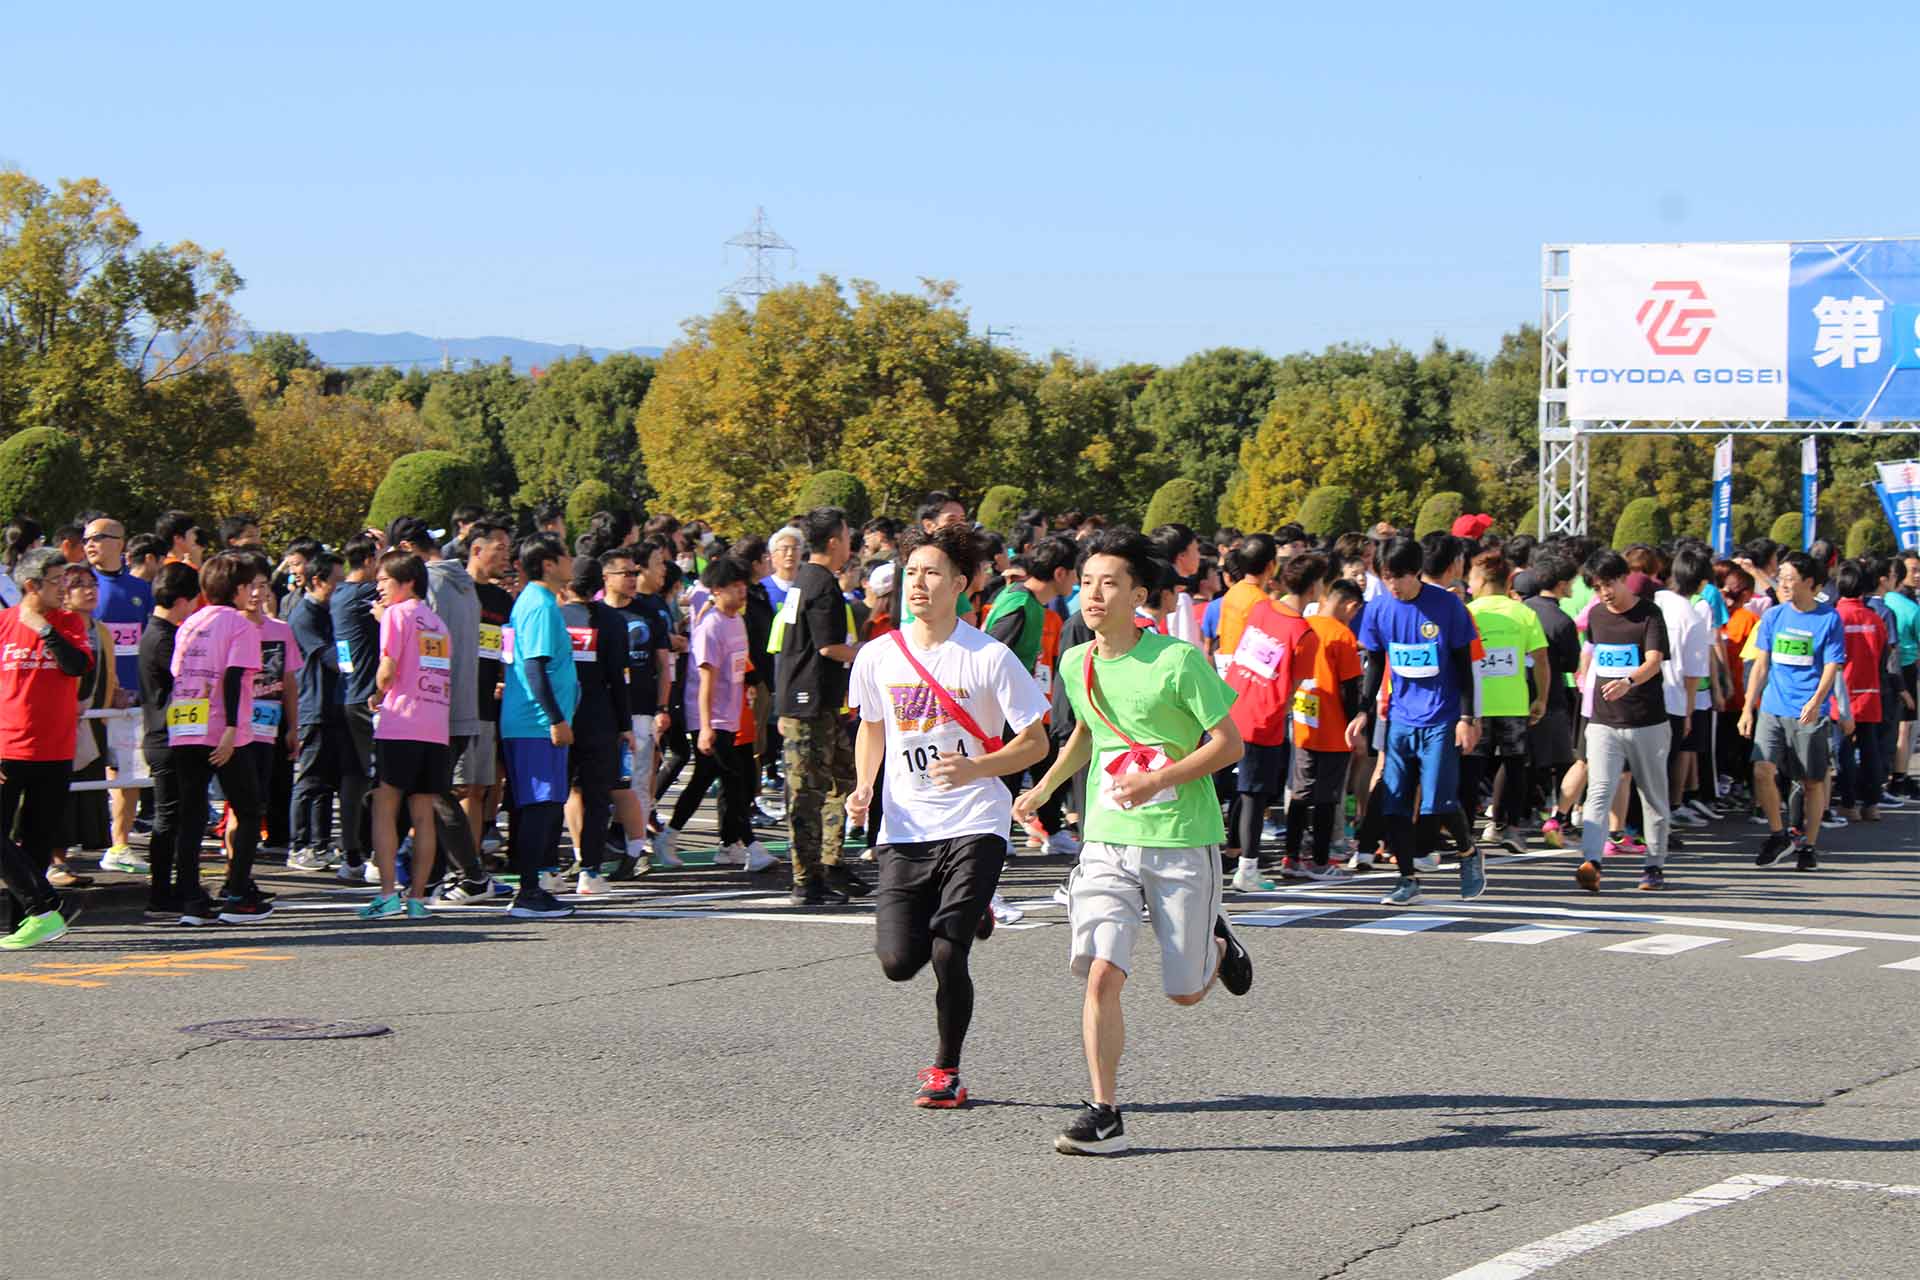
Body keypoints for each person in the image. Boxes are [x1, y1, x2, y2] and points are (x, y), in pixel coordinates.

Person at [1015, 528, 1251, 1157]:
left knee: (1184, 991)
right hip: (1107, 836)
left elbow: (1228, 744)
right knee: (1100, 974)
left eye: (1109, 583)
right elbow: (1088, 733)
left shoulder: (1178, 661)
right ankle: (1104, 1111)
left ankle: (1218, 944)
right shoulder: (1077, 662)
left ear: (1138, 595)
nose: (1094, 594)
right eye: (1087, 582)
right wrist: (1044, 789)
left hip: (1181, 837)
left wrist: (1157, 780)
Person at [847, 522, 1049, 1107]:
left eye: (932, 573)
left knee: (946, 949)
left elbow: (1035, 742)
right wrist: (864, 785)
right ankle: (976, 908)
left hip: (975, 820)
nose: (918, 583)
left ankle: (945, 1072)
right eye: (911, 572)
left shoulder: (989, 657)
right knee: (897, 962)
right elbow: (873, 727)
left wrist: (977, 768)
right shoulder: (879, 655)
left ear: (960, 584)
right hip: (905, 824)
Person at [1354, 535, 1484, 906]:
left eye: (1399, 576)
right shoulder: (1379, 608)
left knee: (1437, 801)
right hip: (1400, 716)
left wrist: (1467, 716)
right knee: (1395, 800)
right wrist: (1363, 710)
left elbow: (1464, 665)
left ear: (1416, 572)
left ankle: (1468, 851)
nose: (1392, 584)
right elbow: (1375, 662)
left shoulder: (1447, 606)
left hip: (1442, 715)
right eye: (1386, 577)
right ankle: (1407, 879)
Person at [163, 552, 271, 924]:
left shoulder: (190, 622)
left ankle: (191, 901)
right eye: (249, 585)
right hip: (223, 729)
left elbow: (178, 672)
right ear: (238, 588)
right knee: (248, 809)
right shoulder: (241, 625)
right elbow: (233, 676)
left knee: (191, 815)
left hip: (184, 724)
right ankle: (237, 895)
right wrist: (229, 730)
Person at [0, 548, 96, 948]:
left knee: (37, 840)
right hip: (7, 748)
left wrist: (42, 628)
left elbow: (77, 666)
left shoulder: (68, 622)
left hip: (55, 750)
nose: (64, 589)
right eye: (57, 581)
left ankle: (28, 922)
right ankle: (45, 904)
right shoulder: (3, 624)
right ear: (31, 585)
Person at [775, 507, 868, 904]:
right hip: (808, 703)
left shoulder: (805, 579)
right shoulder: (822, 584)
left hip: (818, 701)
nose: (850, 545)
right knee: (807, 793)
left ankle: (831, 863)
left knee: (843, 778)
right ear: (833, 542)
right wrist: (868, 652)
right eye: (846, 537)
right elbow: (830, 647)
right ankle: (806, 880)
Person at [661, 558, 776, 874]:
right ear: (716, 590)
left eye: (743, 586)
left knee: (704, 781)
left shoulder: (736, 621)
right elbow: (705, 683)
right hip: (711, 718)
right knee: (734, 781)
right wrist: (705, 727)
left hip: (731, 714)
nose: (742, 592)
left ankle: (672, 837)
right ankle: (752, 847)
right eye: (734, 587)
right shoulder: (710, 627)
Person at [357, 550, 451, 919]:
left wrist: (377, 694)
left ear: (407, 581)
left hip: (401, 723)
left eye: (384, 580)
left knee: (385, 807)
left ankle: (386, 895)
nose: (379, 587)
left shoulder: (396, 615)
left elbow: (387, 671)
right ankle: (417, 899)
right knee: (423, 814)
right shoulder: (437, 623)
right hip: (435, 726)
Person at [1740, 551, 1847, 871]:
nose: (1784, 584)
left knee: (1811, 781)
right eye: (1781, 578)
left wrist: (1816, 701)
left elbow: (1831, 666)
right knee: (1762, 770)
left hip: (1808, 712)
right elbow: (1761, 665)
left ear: (1810, 583)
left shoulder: (1829, 619)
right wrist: (1748, 707)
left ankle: (1808, 846)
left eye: (1790, 578)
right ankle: (1778, 834)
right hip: (1772, 707)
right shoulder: (1773, 616)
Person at [1574, 551, 1673, 892]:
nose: (1604, 593)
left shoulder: (1649, 614)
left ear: (1623, 579)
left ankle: (1654, 865)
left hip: (1647, 722)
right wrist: (1584, 674)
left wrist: (1628, 682)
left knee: (1653, 796)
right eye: (1596, 587)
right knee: (1598, 793)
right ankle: (1591, 863)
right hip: (1603, 722)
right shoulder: (1596, 615)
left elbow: (1654, 661)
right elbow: (1591, 649)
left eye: (1608, 584)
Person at [1221, 551, 1319, 892]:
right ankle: (1247, 868)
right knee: (1254, 795)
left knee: (1232, 789)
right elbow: (1293, 687)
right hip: (1264, 719)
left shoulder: (1261, 608)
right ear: (1315, 587)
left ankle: (1233, 857)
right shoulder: (1305, 634)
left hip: (1232, 705)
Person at [498, 535, 578, 919]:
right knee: (540, 807)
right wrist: (556, 719)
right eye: (566, 555)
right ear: (548, 563)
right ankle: (528, 892)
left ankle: (532, 888)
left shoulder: (535, 601)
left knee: (542, 806)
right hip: (536, 723)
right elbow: (534, 667)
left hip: (532, 722)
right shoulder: (541, 604)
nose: (572, 560)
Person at [1463, 550, 1549, 853]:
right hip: (1514, 703)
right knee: (1514, 766)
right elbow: (1541, 660)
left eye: (1471, 578)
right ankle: (1510, 827)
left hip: (1474, 705)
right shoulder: (1523, 613)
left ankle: (1465, 833)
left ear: (1483, 580)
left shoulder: (1468, 612)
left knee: (1471, 768)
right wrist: (1541, 698)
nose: (1469, 584)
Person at [559, 555, 633, 896]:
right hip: (599, 717)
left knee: (556, 794)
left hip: (559, 715)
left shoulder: (556, 617)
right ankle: (590, 870)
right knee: (597, 797)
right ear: (600, 584)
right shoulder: (613, 620)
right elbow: (618, 677)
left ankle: (547, 868)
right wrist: (625, 724)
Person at [1286, 571, 1365, 881]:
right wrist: (1355, 725)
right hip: (1334, 728)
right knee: (1327, 796)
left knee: (1301, 791)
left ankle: (1291, 856)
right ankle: (1320, 861)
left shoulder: (1304, 626)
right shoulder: (1343, 636)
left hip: (1304, 722)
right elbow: (1350, 689)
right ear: (1350, 605)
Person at [85, 515, 153, 873]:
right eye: (86, 539)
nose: (90, 544)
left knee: (128, 772)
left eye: (98, 537)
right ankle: (57, 852)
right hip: (89, 699)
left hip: (131, 700)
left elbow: (149, 643)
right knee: (78, 774)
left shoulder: (142, 589)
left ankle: (120, 844)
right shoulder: (78, 586)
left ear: (120, 543)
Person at [138, 562, 200, 917]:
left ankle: (166, 890)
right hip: (167, 737)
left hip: (162, 735)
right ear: (181, 601)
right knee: (169, 819)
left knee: (172, 817)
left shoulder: (156, 633)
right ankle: (161, 893)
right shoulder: (165, 639)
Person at [287, 553, 344, 871]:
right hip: (313, 705)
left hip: (331, 704)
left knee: (326, 782)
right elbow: (330, 657)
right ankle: (299, 846)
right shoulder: (304, 615)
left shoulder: (328, 611)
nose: (341, 587)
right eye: (337, 581)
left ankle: (320, 844)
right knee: (309, 779)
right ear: (317, 581)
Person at [330, 538, 381, 882]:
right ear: (368, 559)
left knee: (355, 777)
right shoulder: (364, 595)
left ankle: (353, 854)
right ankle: (376, 852)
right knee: (380, 778)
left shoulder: (340, 594)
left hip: (347, 694)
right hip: (366, 699)